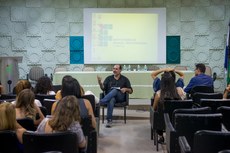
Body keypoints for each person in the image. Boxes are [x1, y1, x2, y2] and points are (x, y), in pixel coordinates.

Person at [152, 71, 186, 144]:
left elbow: (154, 108)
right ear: (173, 81)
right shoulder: (180, 91)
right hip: (177, 121)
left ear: (162, 82)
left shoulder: (158, 94)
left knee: (158, 114)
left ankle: (161, 136)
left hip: (162, 123)